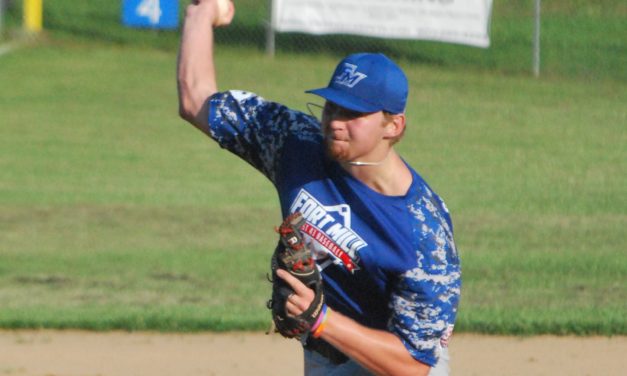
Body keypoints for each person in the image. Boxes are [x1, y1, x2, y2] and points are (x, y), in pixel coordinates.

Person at [177, 1, 461, 375]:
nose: (336, 122)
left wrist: (321, 319)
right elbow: (196, 98)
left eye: (353, 114)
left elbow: (413, 364)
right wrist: (201, 14)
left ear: (393, 126)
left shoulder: (423, 231)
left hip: (386, 363)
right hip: (323, 357)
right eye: (332, 107)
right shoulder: (295, 142)